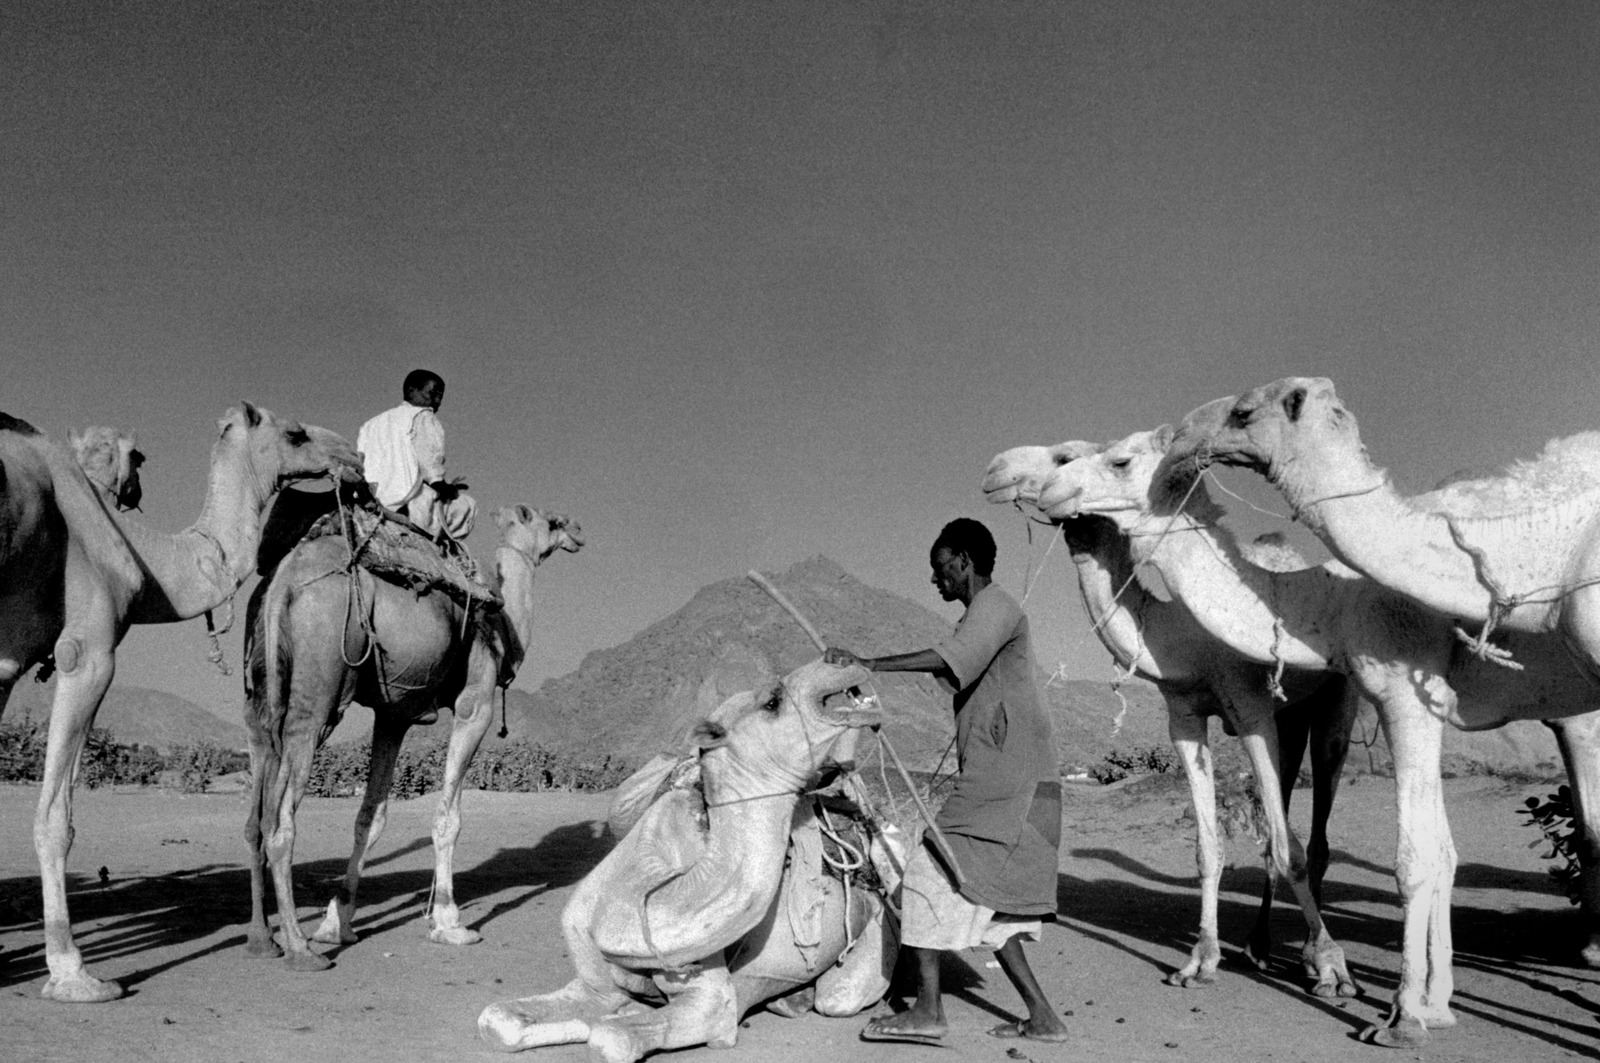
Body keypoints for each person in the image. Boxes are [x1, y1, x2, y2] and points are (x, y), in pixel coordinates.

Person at [825, 517, 1069, 1046]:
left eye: (940, 570)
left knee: (926, 871)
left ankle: (929, 1008)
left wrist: (868, 663)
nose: (936, 582)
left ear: (962, 560)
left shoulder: (996, 607)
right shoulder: (982, 616)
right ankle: (1044, 1018)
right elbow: (951, 667)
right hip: (1009, 779)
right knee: (987, 895)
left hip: (1008, 783)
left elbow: (947, 660)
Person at [356, 369, 476, 541]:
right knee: (467, 506)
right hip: (407, 498)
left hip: (369, 496)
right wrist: (443, 486)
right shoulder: (424, 416)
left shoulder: (370, 424)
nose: (437, 401)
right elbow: (429, 461)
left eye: (440, 396)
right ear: (412, 391)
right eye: (433, 394)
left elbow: (360, 460)